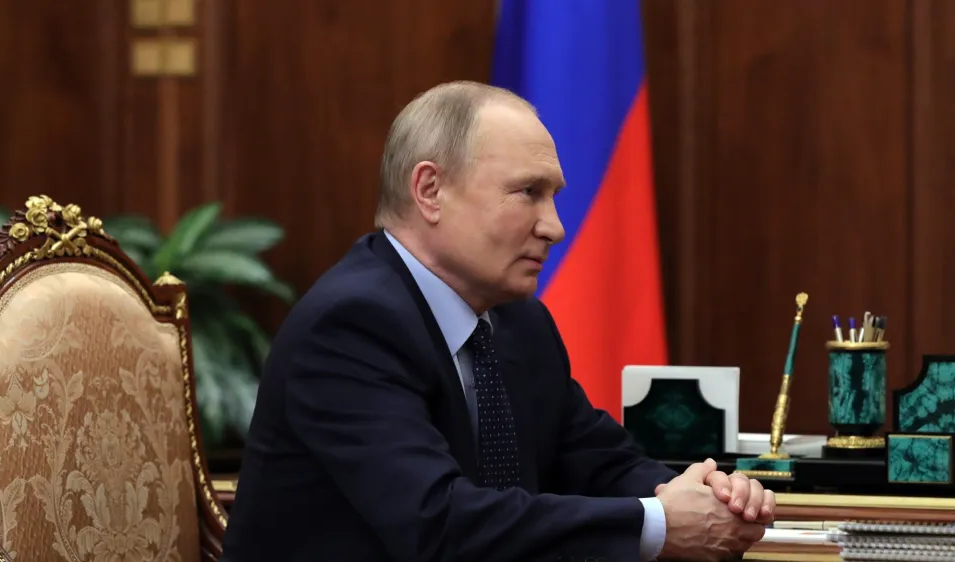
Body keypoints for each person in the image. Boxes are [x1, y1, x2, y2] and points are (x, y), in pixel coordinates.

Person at [221, 81, 774, 562]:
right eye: (528, 193)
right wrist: (656, 524)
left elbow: (596, 460)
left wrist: (701, 495)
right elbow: (436, 522)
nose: (555, 227)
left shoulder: (518, 323)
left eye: (553, 197)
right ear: (430, 191)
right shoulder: (349, 326)